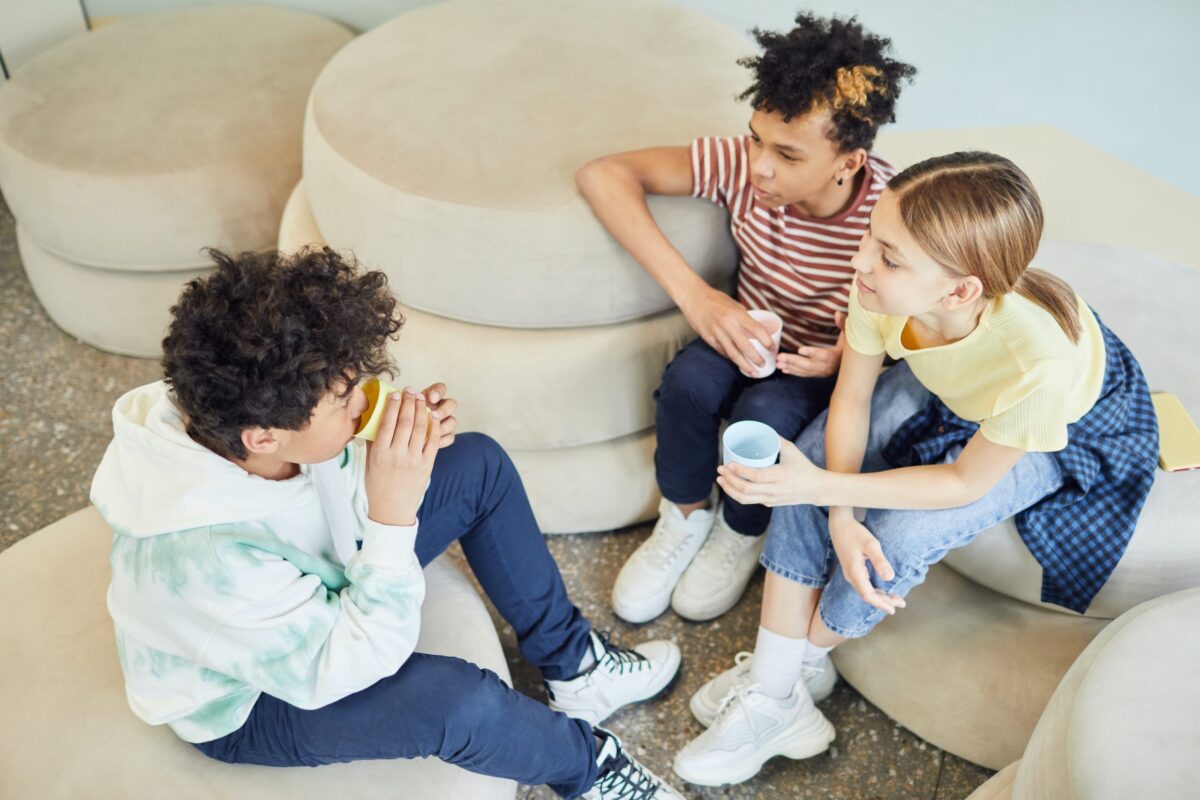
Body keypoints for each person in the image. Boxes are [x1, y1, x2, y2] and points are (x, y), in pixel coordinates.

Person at [90, 247, 686, 799]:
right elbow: (354, 659)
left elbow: (322, 494)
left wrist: (397, 455)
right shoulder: (201, 563)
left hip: (318, 581)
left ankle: (577, 666)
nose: (367, 399)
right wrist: (393, 510)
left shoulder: (238, 409)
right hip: (253, 697)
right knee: (458, 703)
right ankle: (589, 771)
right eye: (347, 397)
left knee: (476, 464)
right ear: (265, 437)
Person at [671, 151, 1158, 787]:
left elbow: (964, 483)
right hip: (954, 386)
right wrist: (838, 512)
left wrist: (820, 490)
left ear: (958, 291)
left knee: (899, 537)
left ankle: (788, 673)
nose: (859, 261)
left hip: (1064, 431)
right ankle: (775, 688)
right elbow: (848, 400)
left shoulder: (1038, 363)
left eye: (888, 255)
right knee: (809, 456)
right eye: (872, 235)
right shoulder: (881, 283)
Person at [576, 13, 916, 624]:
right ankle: (681, 516)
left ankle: (739, 530)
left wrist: (850, 354)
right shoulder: (739, 164)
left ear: (847, 162)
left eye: (786, 154)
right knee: (685, 384)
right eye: (756, 137)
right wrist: (697, 297)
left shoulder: (888, 212)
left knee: (765, 419)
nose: (759, 165)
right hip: (745, 327)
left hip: (824, 359)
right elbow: (602, 175)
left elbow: (911, 314)